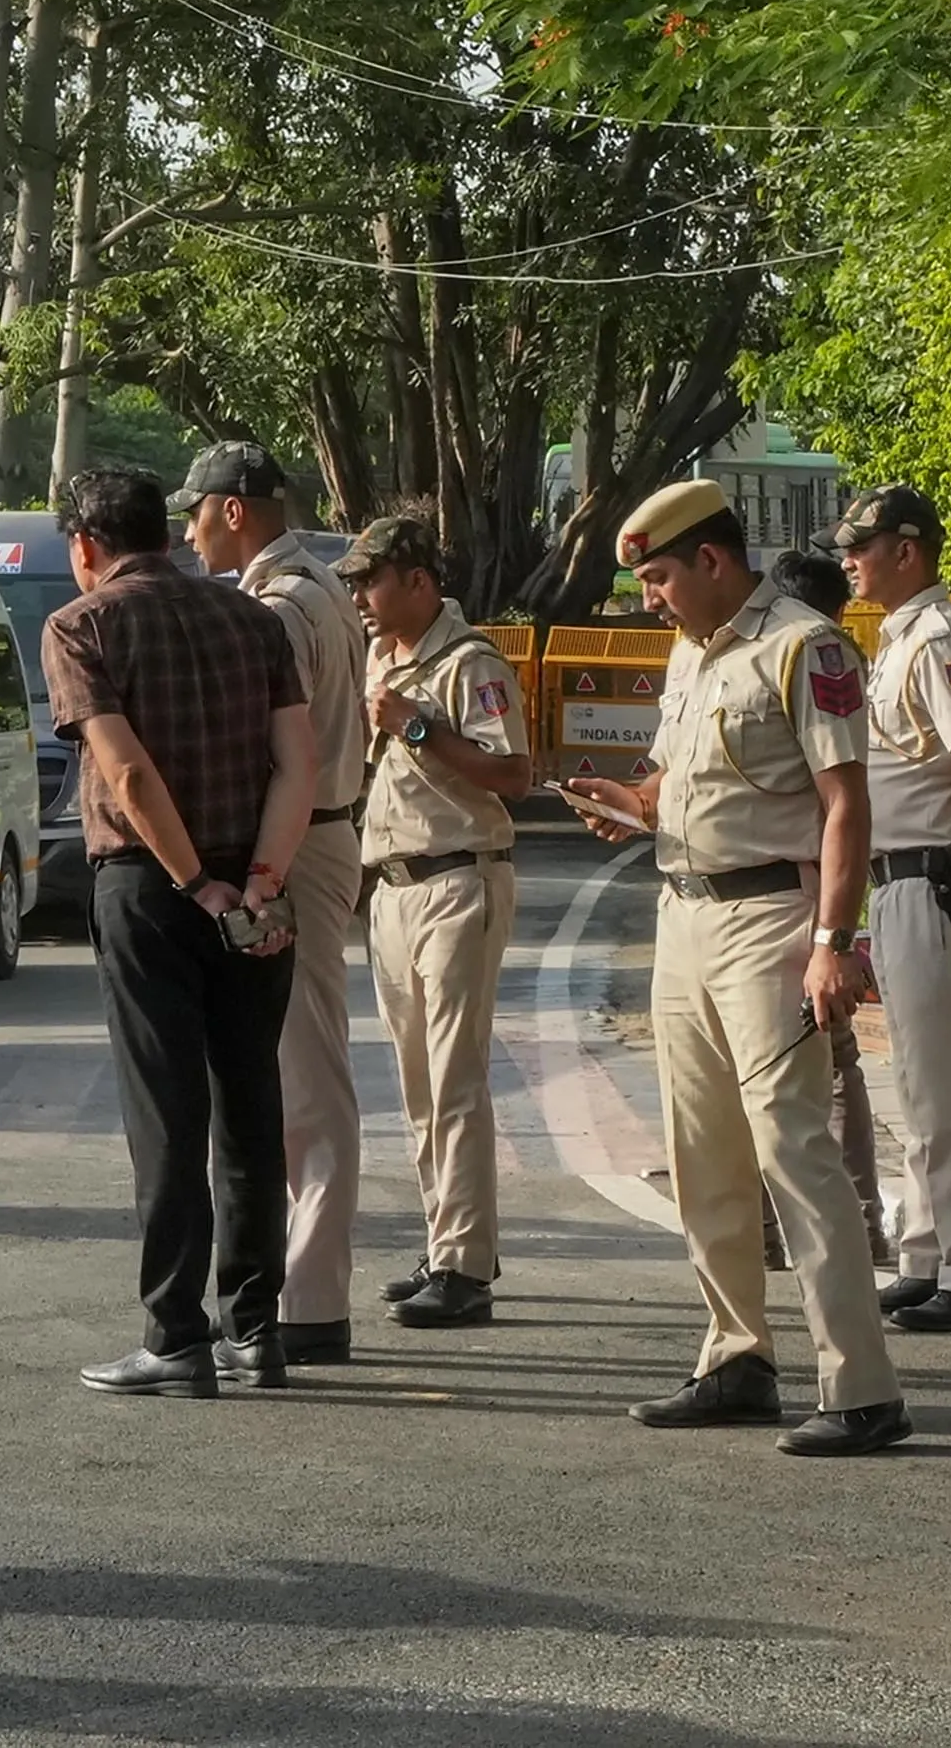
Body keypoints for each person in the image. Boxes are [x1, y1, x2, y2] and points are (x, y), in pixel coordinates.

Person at [554, 479, 910, 1456]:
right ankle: (735, 1355)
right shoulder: (691, 653)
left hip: (771, 919)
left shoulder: (805, 644)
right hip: (684, 911)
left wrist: (835, 940)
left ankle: (862, 1383)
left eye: (660, 576)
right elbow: (673, 778)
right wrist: (627, 800)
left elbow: (847, 802)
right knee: (701, 1144)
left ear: (713, 559)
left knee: (793, 1144)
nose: (651, 598)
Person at [51, 467, 317, 1396]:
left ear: (84, 546)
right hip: (256, 881)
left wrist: (193, 880)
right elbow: (300, 766)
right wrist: (259, 882)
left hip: (152, 886)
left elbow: (126, 777)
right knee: (250, 1106)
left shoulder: (80, 626)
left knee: (166, 1113)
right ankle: (256, 1329)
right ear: (165, 534)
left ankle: (175, 1335)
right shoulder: (256, 621)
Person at [178, 443, 371, 1363]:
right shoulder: (320, 586)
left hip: (294, 844)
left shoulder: (282, 605)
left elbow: (276, 749)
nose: (188, 531)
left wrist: (259, 872)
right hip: (319, 835)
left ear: (234, 511)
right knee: (300, 1072)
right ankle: (304, 1293)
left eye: (196, 512)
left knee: (301, 1079)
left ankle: (311, 1301)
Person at [835, 487, 951, 1333]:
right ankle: (928, 1253)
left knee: (944, 1085)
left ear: (908, 550)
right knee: (914, 1082)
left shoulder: (941, 637)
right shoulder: (902, 637)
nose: (851, 559)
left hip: (935, 873)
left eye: (863, 545)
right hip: (901, 876)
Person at [343, 516, 524, 1329]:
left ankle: (466, 1265)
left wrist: (415, 724)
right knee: (417, 1082)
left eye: (370, 581)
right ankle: (442, 1240)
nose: (360, 598)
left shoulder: (469, 662)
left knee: (455, 1078)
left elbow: (513, 773)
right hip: (393, 887)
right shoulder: (382, 657)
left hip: (458, 879)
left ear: (418, 580)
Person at [765, 545, 894, 1275]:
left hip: (807, 891)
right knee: (806, 1067)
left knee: (827, 1062)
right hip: (803, 888)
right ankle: (826, 1223)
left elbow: (842, 800)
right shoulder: (833, 658)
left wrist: (833, 937)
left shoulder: (811, 662)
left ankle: (852, 1224)